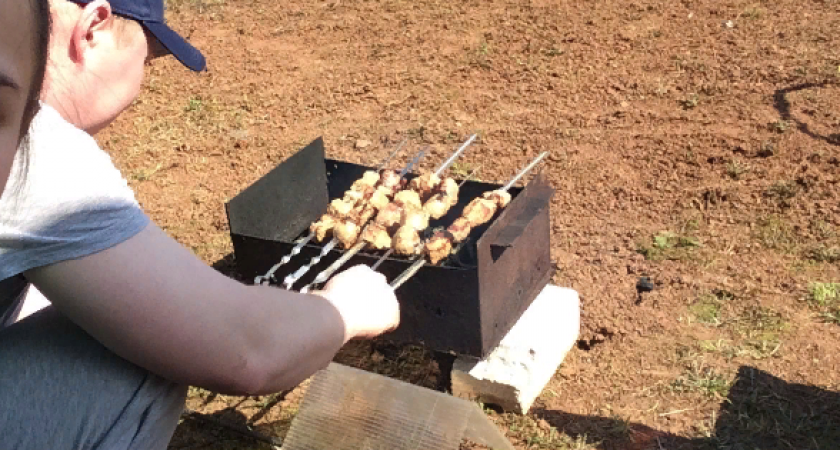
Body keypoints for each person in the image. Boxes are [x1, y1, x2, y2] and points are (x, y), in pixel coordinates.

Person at [0, 0, 401, 449]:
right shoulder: (41, 152)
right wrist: (348, 309)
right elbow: (247, 350)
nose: (142, 81)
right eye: (147, 59)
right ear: (93, 27)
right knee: (145, 361)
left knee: (61, 287)